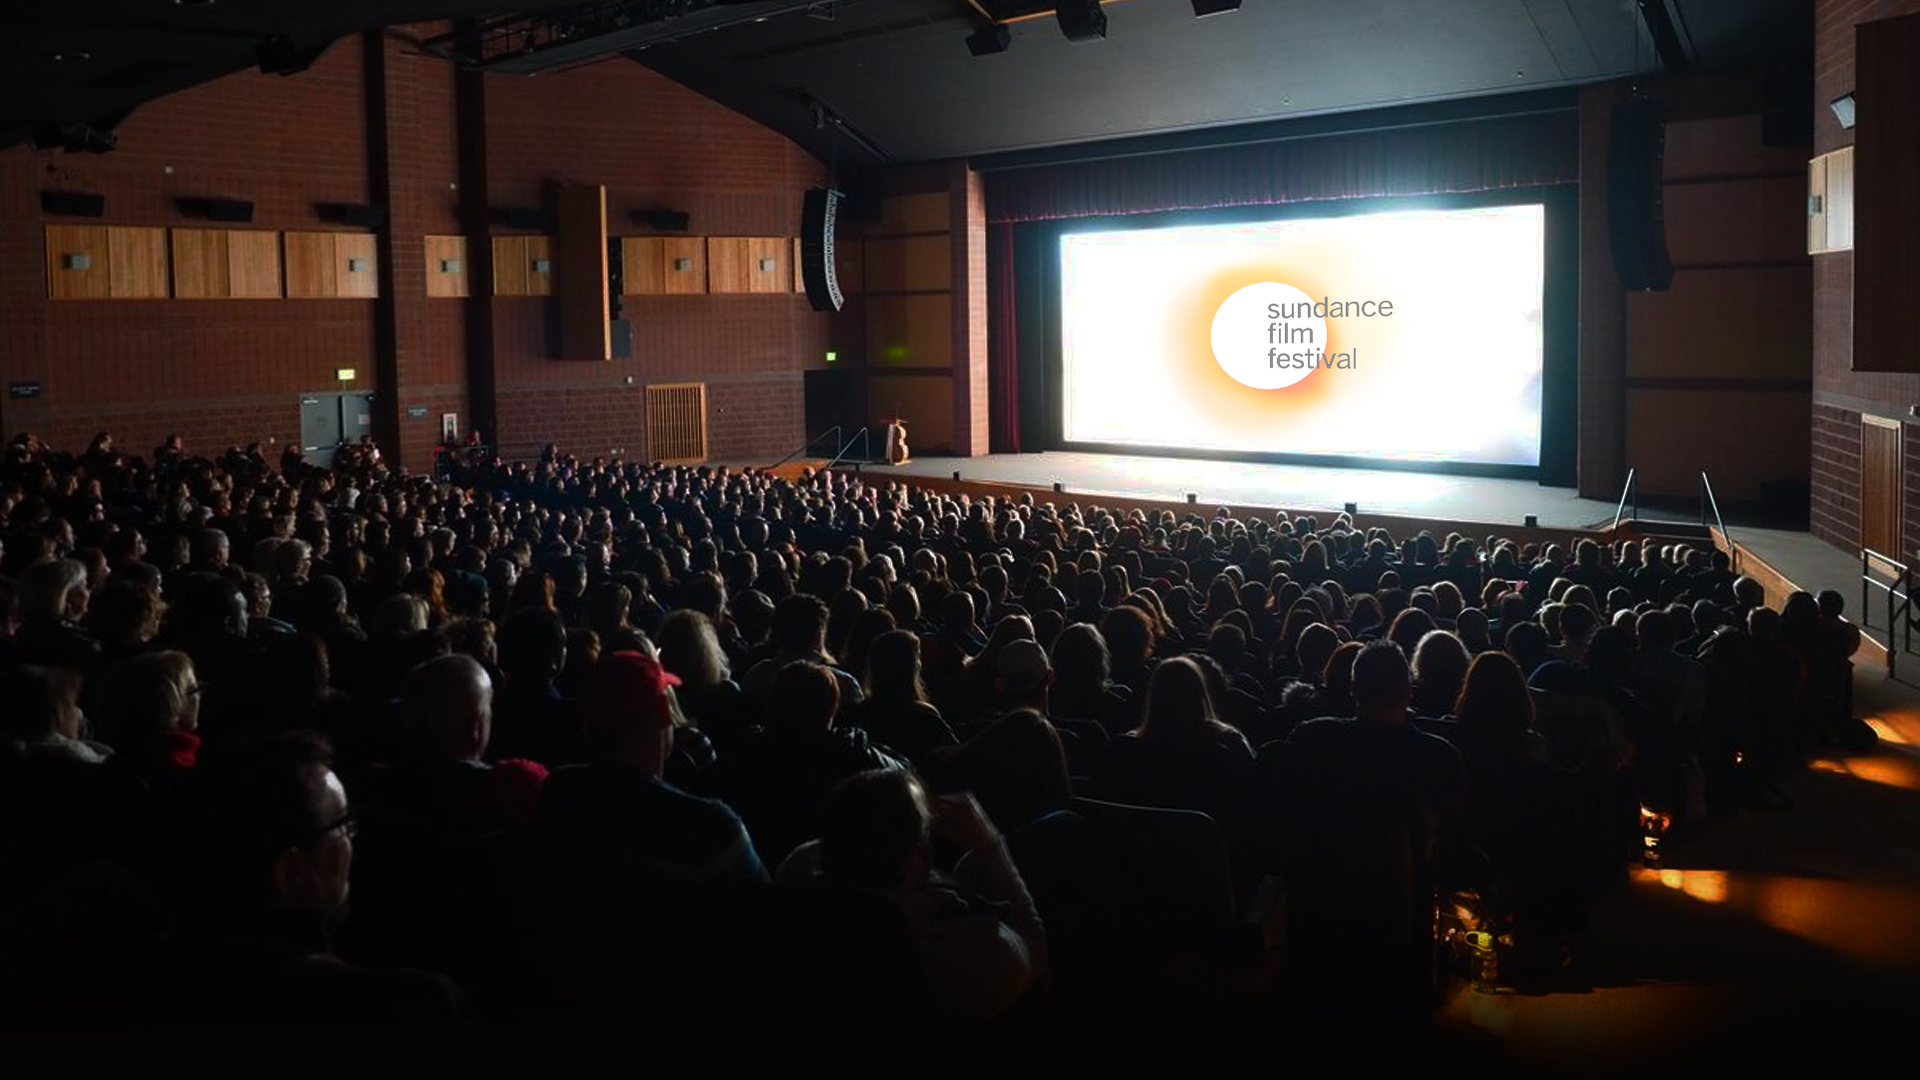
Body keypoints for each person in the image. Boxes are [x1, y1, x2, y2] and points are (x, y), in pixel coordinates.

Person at [778, 770, 1047, 1032]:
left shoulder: (800, 875)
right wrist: (991, 845)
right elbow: (1035, 949)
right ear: (919, 854)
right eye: (927, 831)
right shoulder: (974, 952)